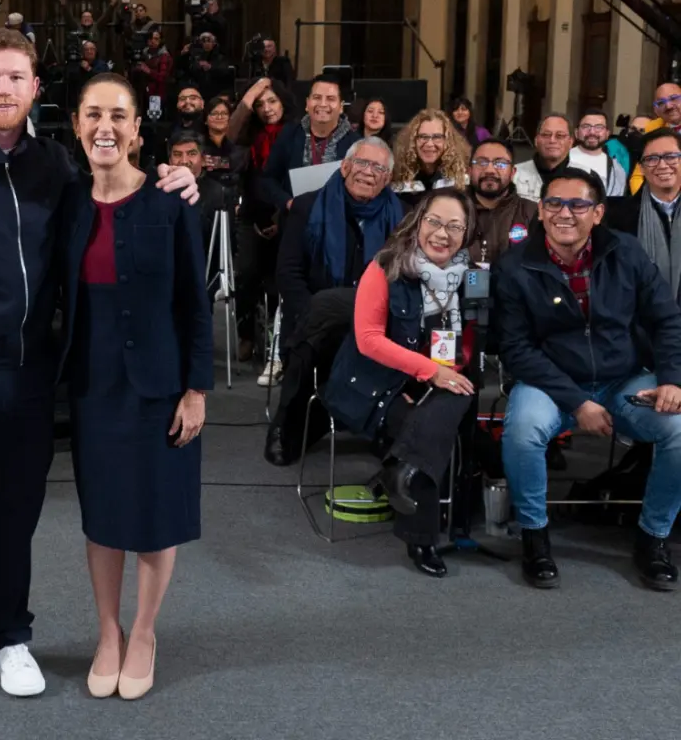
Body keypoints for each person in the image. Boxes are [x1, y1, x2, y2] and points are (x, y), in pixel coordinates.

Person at [0, 27, 196, 712]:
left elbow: (122, 193)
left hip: (28, 376)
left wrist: (181, 176)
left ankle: (5, 635)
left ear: (34, 89)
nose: (2, 89)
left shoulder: (55, 167)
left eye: (15, 77)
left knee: (16, 516)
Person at [63, 73, 212, 700]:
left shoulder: (171, 203)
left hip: (160, 386)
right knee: (103, 517)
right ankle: (107, 633)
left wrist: (197, 389)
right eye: (93, 115)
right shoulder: (64, 205)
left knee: (155, 514)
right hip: (92, 386)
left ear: (136, 129)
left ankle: (145, 631)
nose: (105, 127)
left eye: (118, 116)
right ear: (75, 126)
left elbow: (195, 305)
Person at [497, 167, 681, 591]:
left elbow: (668, 320)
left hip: (624, 380)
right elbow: (515, 348)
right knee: (523, 429)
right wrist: (577, 402)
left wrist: (671, 378)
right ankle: (534, 535)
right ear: (540, 211)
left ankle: (653, 537)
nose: (566, 213)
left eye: (578, 204)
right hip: (550, 383)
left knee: (678, 428)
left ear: (598, 213)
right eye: (554, 203)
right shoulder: (515, 267)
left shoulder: (627, 252)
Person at [324, 190, 480, 577]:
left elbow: (480, 341)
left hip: (446, 378)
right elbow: (368, 339)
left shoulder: (473, 277)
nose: (442, 233)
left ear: (467, 233)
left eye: (455, 226)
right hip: (380, 383)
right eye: (434, 222)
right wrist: (429, 372)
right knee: (426, 423)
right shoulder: (386, 267)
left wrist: (444, 375)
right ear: (418, 222)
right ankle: (421, 535)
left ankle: (399, 471)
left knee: (449, 402)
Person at [265, 137, 406, 466]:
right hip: (314, 323)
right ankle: (290, 422)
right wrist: (312, 314)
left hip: (375, 325)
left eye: (379, 168)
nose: (368, 173)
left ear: (387, 179)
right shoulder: (306, 207)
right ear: (345, 166)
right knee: (320, 319)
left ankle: (376, 421)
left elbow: (403, 280)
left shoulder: (403, 217)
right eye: (362, 163)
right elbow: (288, 274)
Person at [227, 78, 297, 371]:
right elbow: (230, 130)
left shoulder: (296, 133)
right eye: (260, 105)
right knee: (246, 274)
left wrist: (280, 218)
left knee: (279, 279)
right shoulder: (249, 134)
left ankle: (279, 339)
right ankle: (246, 333)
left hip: (287, 214)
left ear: (283, 102)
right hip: (251, 215)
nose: (267, 109)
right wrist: (253, 91)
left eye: (272, 102)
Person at [259, 74, 360, 217]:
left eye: (330, 99)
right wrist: (287, 202)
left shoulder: (355, 144)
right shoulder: (289, 134)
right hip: (295, 219)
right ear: (307, 104)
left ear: (341, 107)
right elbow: (268, 179)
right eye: (317, 98)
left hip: (339, 221)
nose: (323, 104)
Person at [603, 128, 681, 303]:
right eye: (651, 159)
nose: (662, 165)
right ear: (642, 168)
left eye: (671, 156)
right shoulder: (617, 217)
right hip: (641, 321)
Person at [466, 138, 537, 265]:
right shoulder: (451, 208)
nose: (490, 170)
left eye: (500, 163)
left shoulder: (532, 212)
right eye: (482, 162)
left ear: (512, 172)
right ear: (469, 170)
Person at [389, 109, 471, 202]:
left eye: (437, 137)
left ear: (448, 141)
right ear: (413, 141)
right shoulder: (399, 176)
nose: (429, 144)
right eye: (423, 137)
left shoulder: (459, 179)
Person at [567, 109, 627, 197]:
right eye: (586, 126)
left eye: (599, 127)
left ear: (607, 133)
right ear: (576, 133)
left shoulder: (616, 169)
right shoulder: (562, 159)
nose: (592, 132)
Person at [514, 114, 573, 202]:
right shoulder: (514, 175)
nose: (552, 140)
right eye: (546, 135)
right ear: (536, 140)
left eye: (560, 136)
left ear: (570, 142)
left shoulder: (586, 177)